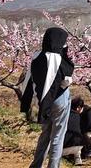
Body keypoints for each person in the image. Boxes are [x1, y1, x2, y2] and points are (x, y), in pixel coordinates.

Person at [20, 27, 74, 168]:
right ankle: (53, 166)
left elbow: (30, 79)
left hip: (43, 101)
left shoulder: (37, 56)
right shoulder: (59, 59)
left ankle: (36, 165)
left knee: (45, 135)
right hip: (60, 100)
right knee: (58, 136)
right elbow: (67, 79)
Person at [62, 96, 85, 166]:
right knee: (77, 139)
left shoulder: (64, 114)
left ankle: (64, 160)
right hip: (79, 146)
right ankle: (78, 159)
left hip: (63, 149)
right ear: (78, 108)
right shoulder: (78, 116)